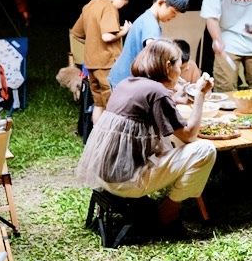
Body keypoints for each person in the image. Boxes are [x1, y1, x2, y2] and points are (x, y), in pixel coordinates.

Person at [75, 38, 217, 235]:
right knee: (205, 150)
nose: (180, 71)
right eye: (179, 66)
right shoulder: (157, 91)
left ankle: (164, 202)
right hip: (127, 181)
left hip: (106, 175)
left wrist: (173, 97)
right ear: (168, 66)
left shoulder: (127, 83)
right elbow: (190, 135)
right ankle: (170, 210)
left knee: (171, 141)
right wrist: (200, 94)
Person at [70, 0, 134, 125]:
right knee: (113, 106)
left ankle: (96, 139)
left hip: (91, 64)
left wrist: (93, 42)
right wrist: (124, 31)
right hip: (108, 65)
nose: (121, 6)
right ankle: (110, 141)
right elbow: (106, 36)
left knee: (98, 103)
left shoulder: (89, 6)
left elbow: (76, 34)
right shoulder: (108, 7)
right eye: (123, 3)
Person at [107, 0, 190, 90]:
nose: (174, 17)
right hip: (126, 81)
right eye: (173, 12)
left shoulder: (148, 19)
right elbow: (156, 59)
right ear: (161, 2)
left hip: (123, 78)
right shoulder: (150, 24)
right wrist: (174, 83)